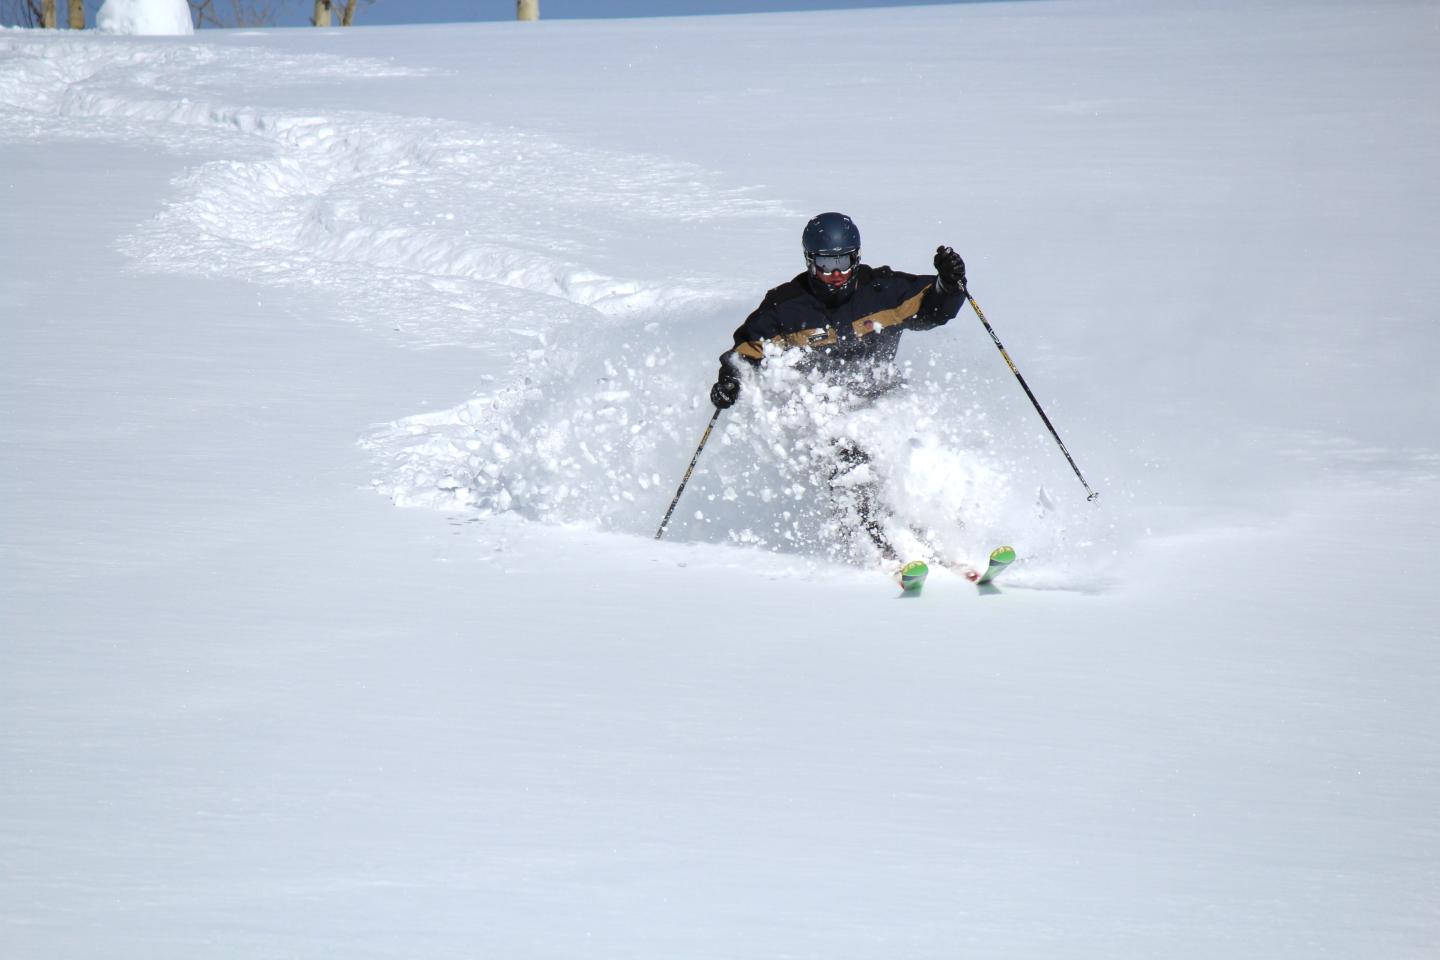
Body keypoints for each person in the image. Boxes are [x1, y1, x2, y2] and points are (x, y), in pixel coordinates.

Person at [708, 212, 969, 560]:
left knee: (916, 450)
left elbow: (934, 307)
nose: (835, 274)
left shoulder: (883, 291)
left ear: (855, 258)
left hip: (884, 396)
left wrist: (950, 284)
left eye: (843, 262)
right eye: (826, 264)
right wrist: (730, 380)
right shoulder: (786, 306)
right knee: (850, 459)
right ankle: (875, 546)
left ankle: (945, 535)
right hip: (827, 410)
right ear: (810, 261)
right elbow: (747, 350)